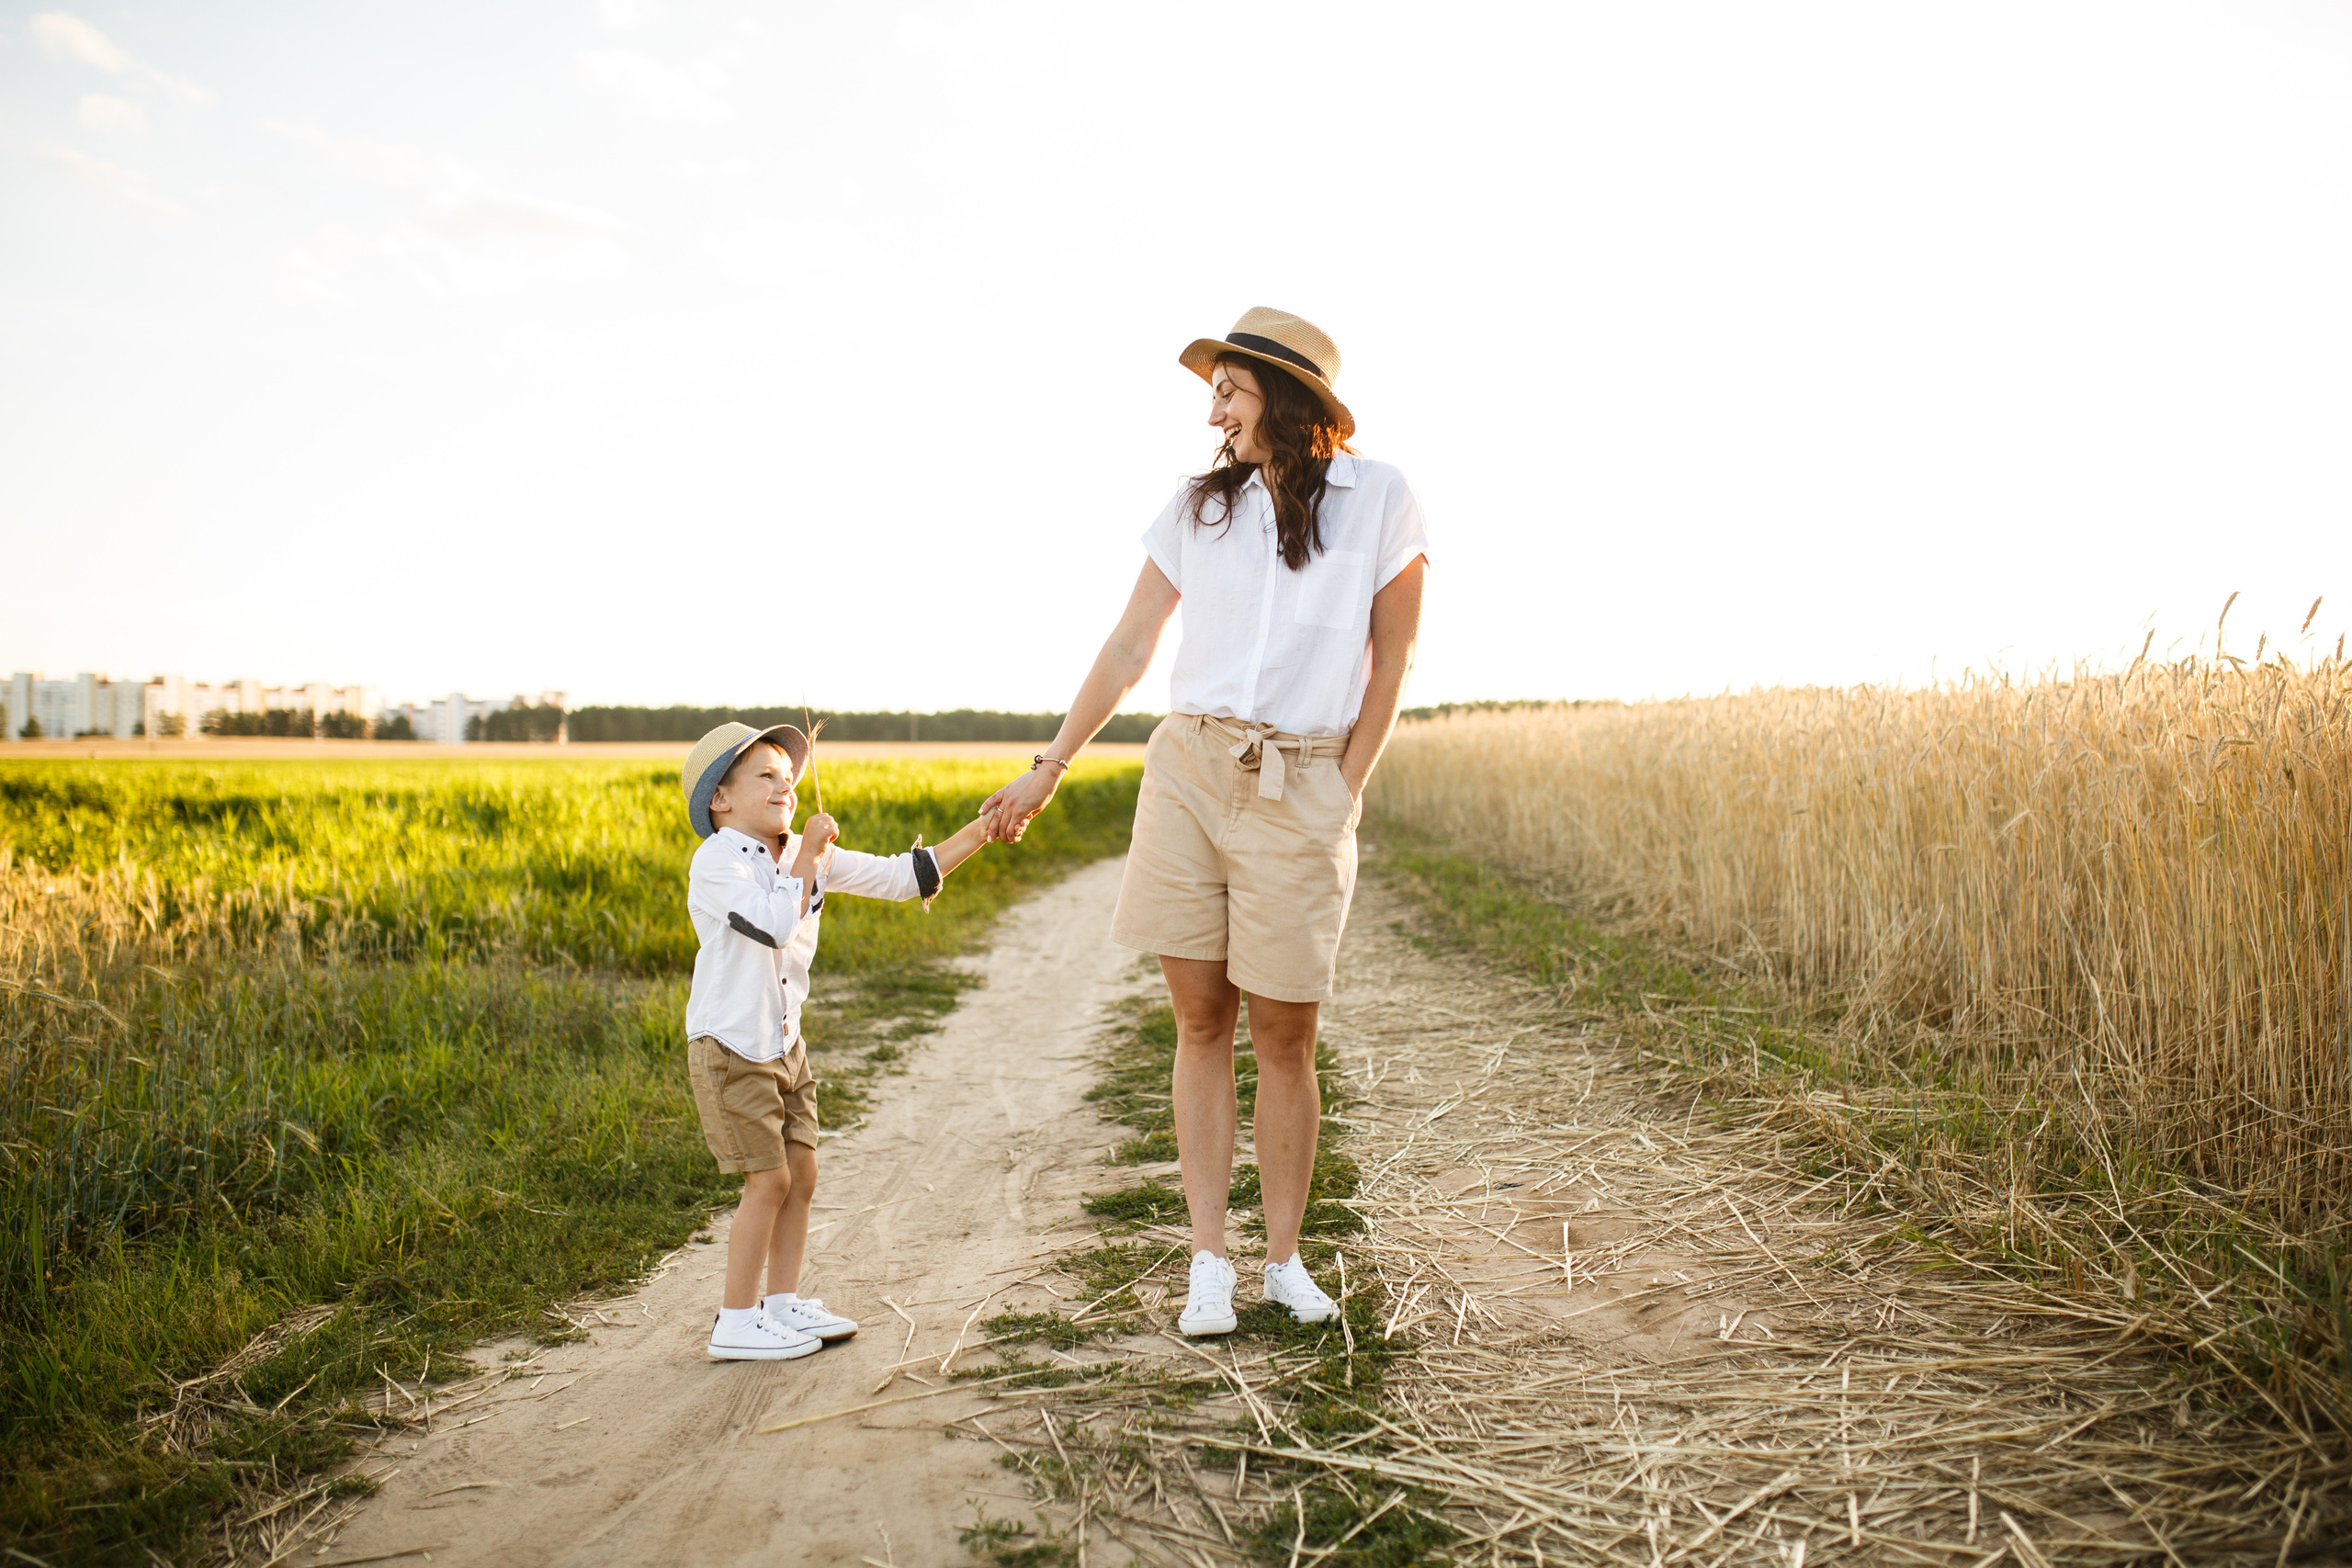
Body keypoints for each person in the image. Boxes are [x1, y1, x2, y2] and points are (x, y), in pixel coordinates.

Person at [981, 307, 1430, 1336]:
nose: (1213, 411)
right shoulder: (1198, 507)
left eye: (1228, 390)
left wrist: (1344, 787)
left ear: (1287, 396)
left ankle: (1283, 1261)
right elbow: (1130, 643)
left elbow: (1395, 659)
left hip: (1301, 781)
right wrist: (1051, 766)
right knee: (1200, 1021)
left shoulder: (1381, 498)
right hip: (1187, 769)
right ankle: (1208, 1262)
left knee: (1285, 1033)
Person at [682, 720, 992, 1360]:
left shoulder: (801, 850)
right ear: (721, 799)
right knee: (768, 1181)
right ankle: (734, 1322)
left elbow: (904, 876)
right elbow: (773, 924)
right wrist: (807, 859)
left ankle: (780, 1304)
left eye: (788, 777)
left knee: (802, 1172)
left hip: (785, 1042)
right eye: (766, 775)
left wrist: (985, 828)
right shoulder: (716, 861)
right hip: (732, 1046)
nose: (785, 787)